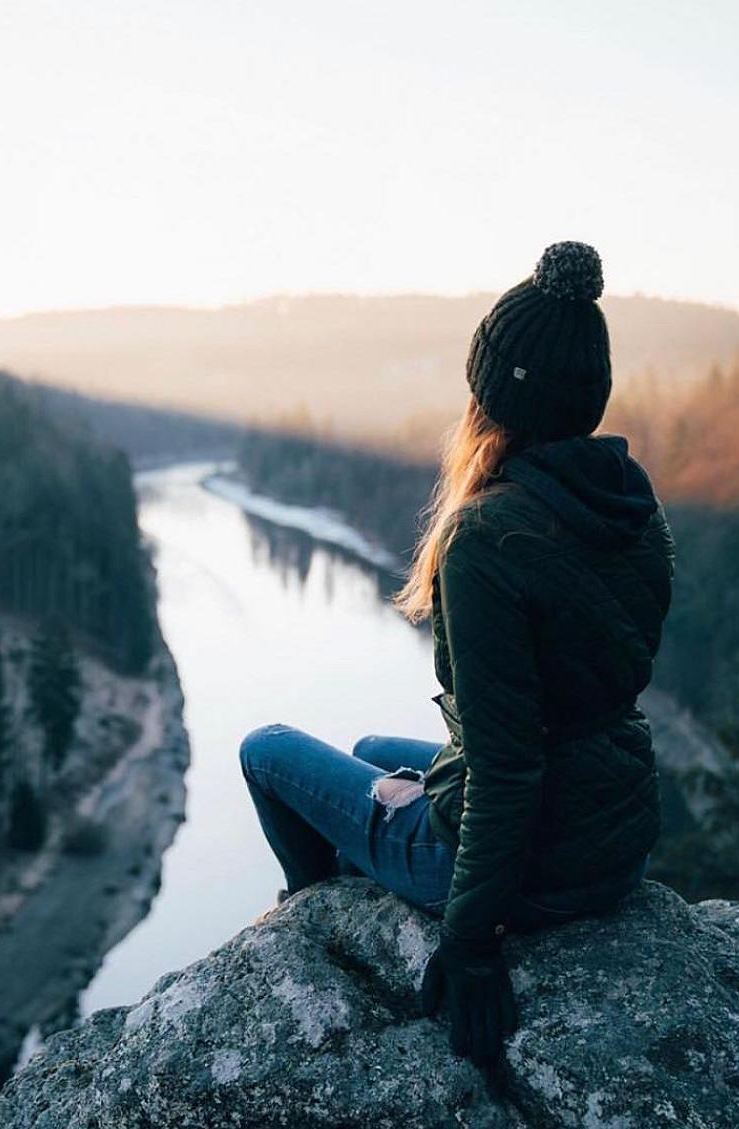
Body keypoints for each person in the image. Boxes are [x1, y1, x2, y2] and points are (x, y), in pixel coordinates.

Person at [238, 241, 675, 1069]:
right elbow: (546, 725)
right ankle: (375, 842)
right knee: (371, 751)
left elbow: (509, 768)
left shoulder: (488, 536)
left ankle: (315, 912)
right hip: (612, 839)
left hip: (529, 862)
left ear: (491, 400)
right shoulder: (633, 512)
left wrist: (472, 942)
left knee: (265, 752)